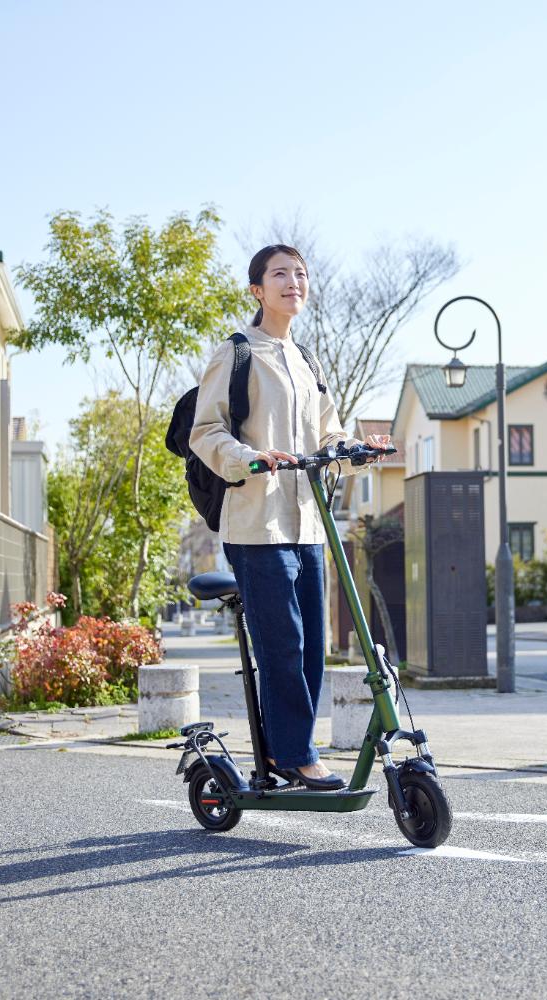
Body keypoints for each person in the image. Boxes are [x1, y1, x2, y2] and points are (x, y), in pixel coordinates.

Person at [190, 244, 392, 790]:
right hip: (256, 523)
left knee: (310, 649)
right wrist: (249, 458)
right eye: (280, 274)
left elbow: (328, 435)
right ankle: (296, 754)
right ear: (257, 290)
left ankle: (289, 751)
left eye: (301, 274)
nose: (293, 282)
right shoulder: (236, 353)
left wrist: (357, 449)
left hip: (308, 522)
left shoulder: (307, 363)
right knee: (281, 646)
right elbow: (205, 433)